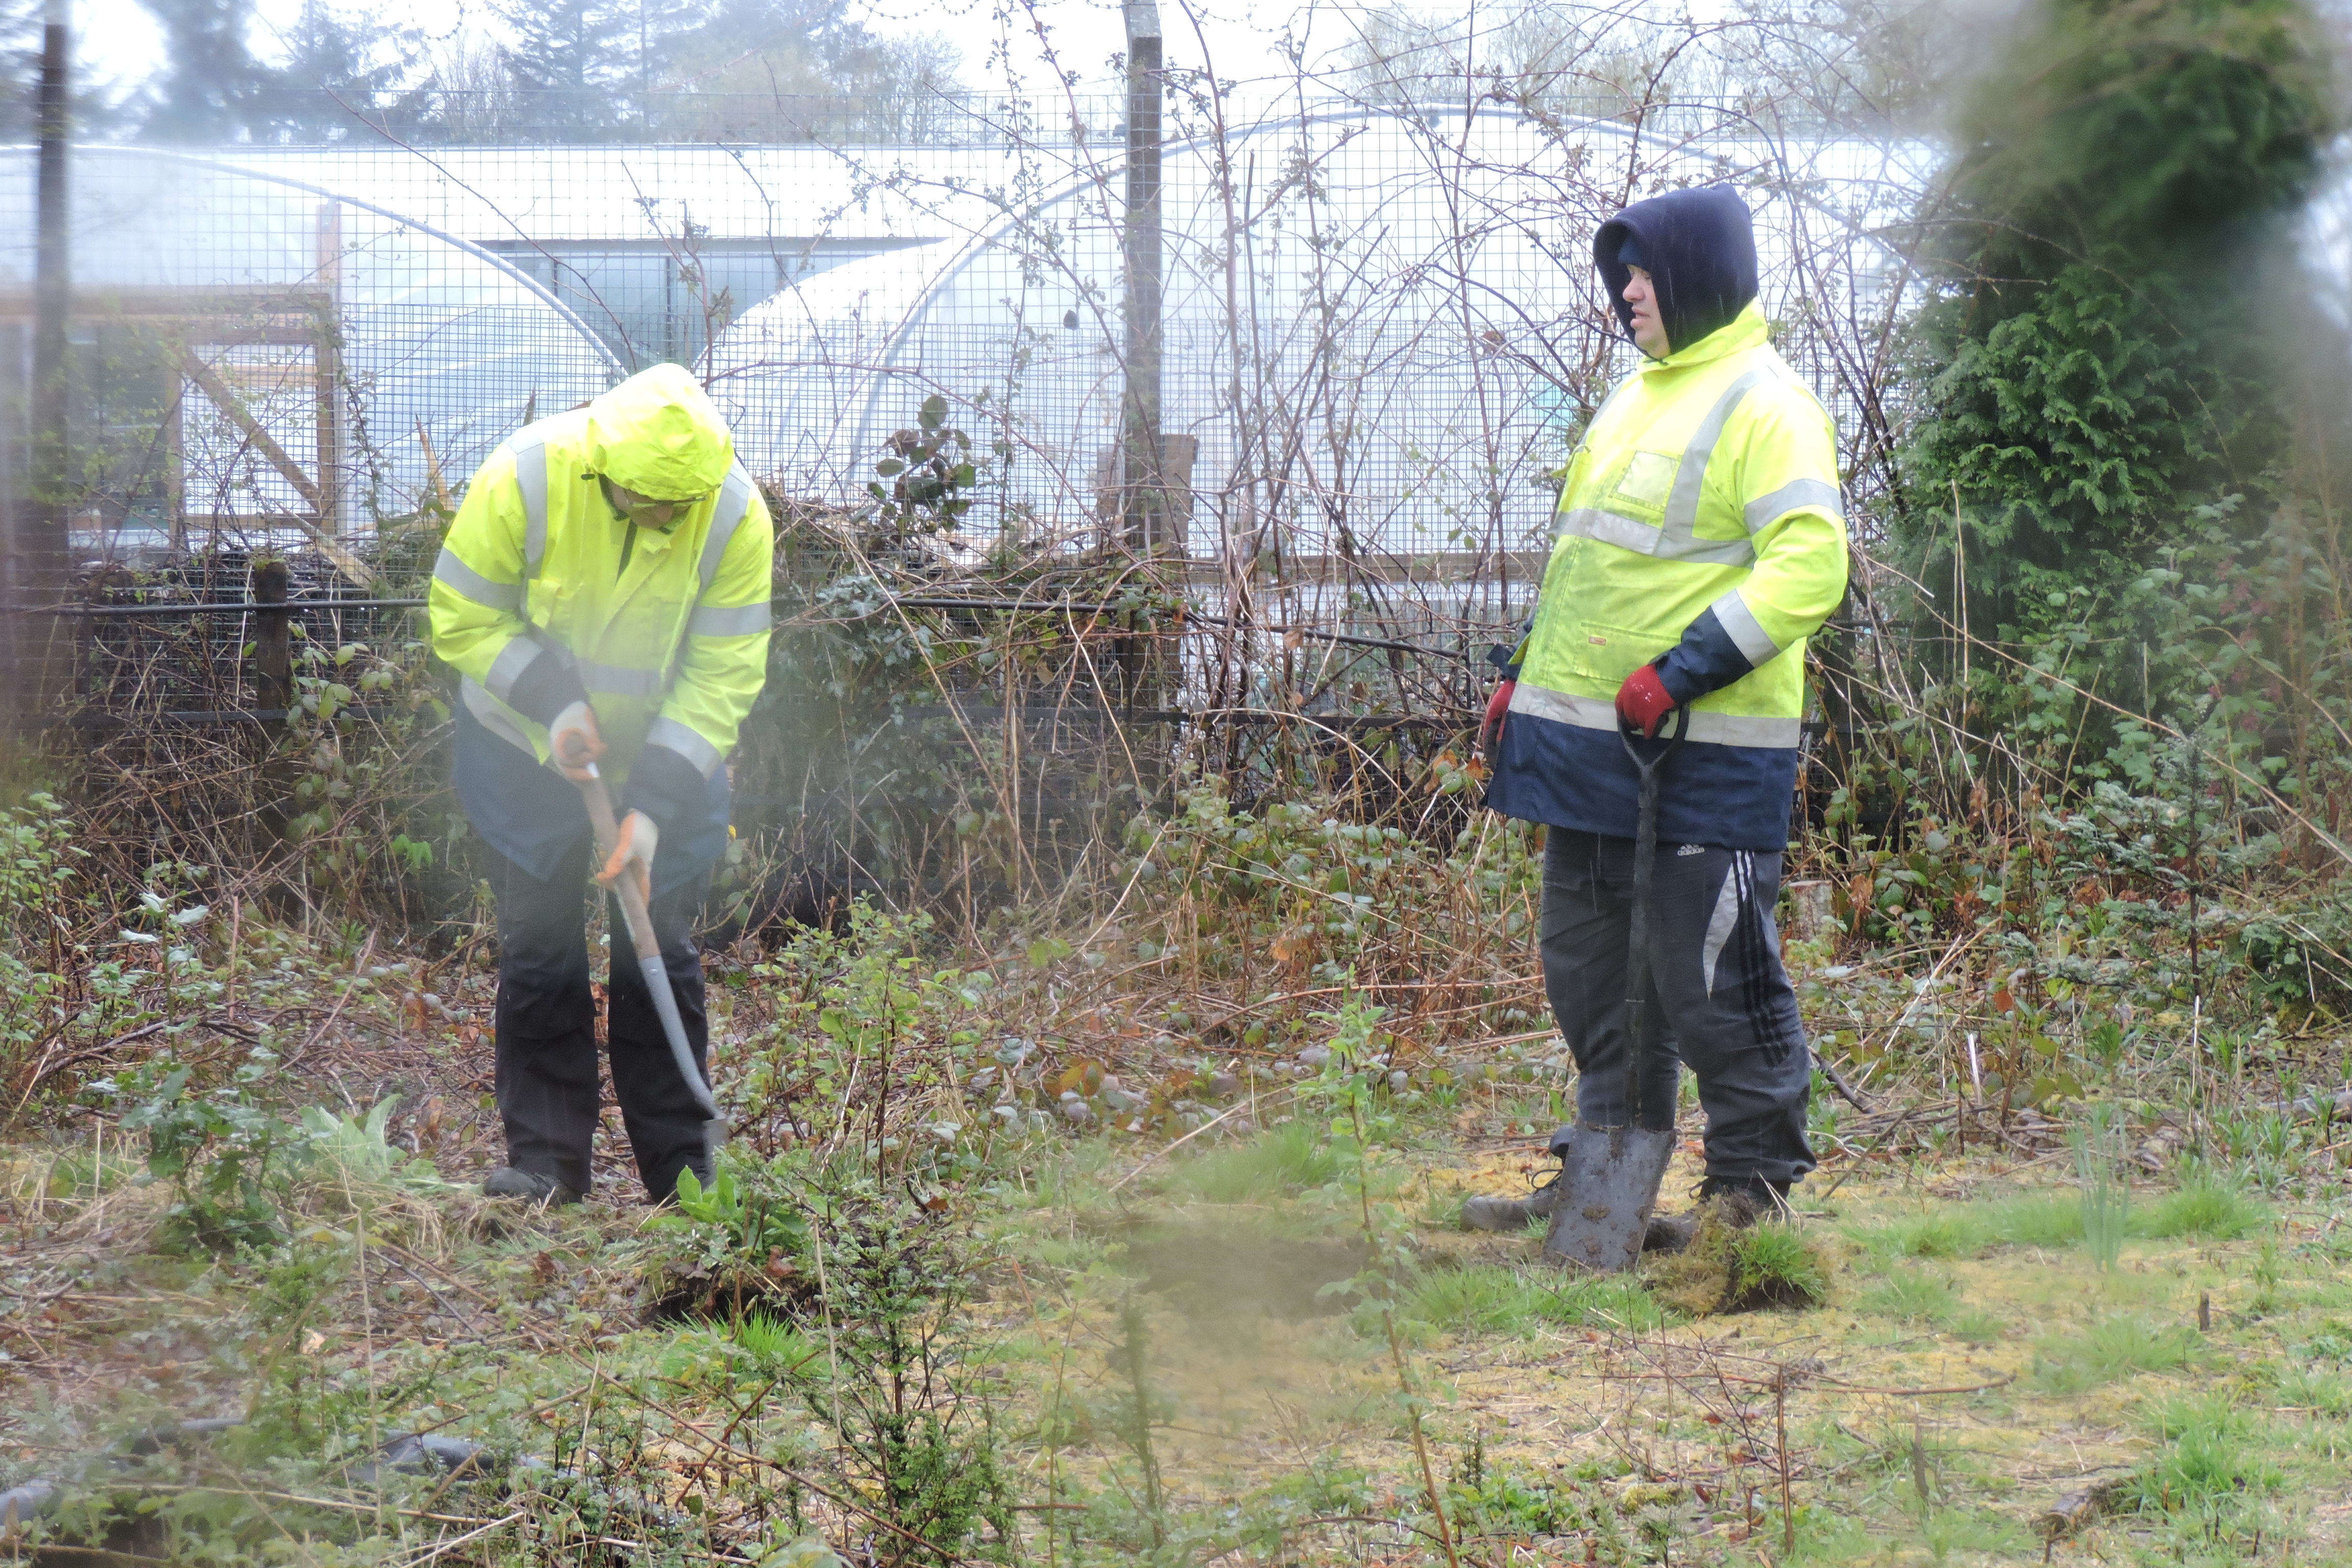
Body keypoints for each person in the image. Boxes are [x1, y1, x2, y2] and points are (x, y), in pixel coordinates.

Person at [1466, 185, 1846, 1234]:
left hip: (1704, 757)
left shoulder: (1768, 405)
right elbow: (1592, 565)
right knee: (1591, 974)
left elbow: (1812, 567)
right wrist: (1521, 669)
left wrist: (1684, 670)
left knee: (1716, 981)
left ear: (1700, 276)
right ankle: (1602, 1185)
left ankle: (1749, 1202)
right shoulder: (1634, 398)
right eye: (1621, 273)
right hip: (1588, 757)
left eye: (1641, 273)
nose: (1625, 293)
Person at [428, 363, 774, 1206]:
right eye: (642, 501)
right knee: (539, 939)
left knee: (658, 942)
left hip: (663, 748)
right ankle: (546, 1167)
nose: (660, 518)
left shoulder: (734, 515)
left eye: (675, 506)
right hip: (522, 739)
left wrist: (651, 807)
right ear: (603, 469)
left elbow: (723, 675)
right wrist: (553, 701)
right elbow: (464, 615)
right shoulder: (524, 475)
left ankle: (684, 1173)